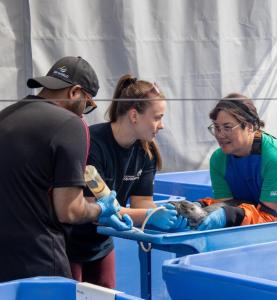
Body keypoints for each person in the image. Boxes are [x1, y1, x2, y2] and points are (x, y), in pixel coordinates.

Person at [0, 56, 132, 283]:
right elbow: (69, 210)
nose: (84, 114)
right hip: (39, 263)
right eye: (88, 105)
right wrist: (100, 210)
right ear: (75, 92)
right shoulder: (70, 124)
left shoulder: (5, 116)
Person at [67, 74, 186, 287]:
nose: (162, 126)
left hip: (101, 245)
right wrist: (150, 215)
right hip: (68, 244)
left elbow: (142, 205)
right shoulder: (91, 143)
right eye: (157, 117)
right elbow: (92, 210)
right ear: (134, 116)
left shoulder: (146, 152)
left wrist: (167, 215)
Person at [197, 93, 277, 231]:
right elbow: (226, 204)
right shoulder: (218, 159)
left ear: (251, 126)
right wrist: (198, 207)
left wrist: (228, 215)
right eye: (216, 127)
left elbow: (268, 218)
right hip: (258, 220)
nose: (220, 135)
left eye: (227, 127)